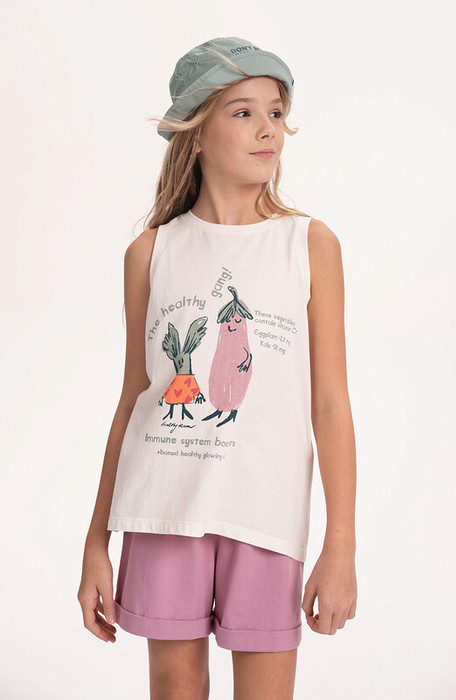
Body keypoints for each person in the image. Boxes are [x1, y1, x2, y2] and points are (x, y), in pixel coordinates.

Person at [77, 36, 357, 700]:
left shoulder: (308, 244)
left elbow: (330, 405)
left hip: (265, 517)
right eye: (243, 112)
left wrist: (340, 544)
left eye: (276, 112)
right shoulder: (151, 252)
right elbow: (133, 400)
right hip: (162, 511)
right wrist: (96, 542)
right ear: (195, 132)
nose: (269, 129)